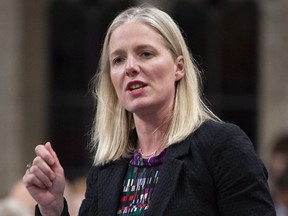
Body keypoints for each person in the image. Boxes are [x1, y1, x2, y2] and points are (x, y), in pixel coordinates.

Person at [22, 5, 276, 216]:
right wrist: (52, 206)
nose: (130, 67)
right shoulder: (106, 170)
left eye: (145, 53)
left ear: (179, 68)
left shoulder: (222, 147)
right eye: (118, 60)